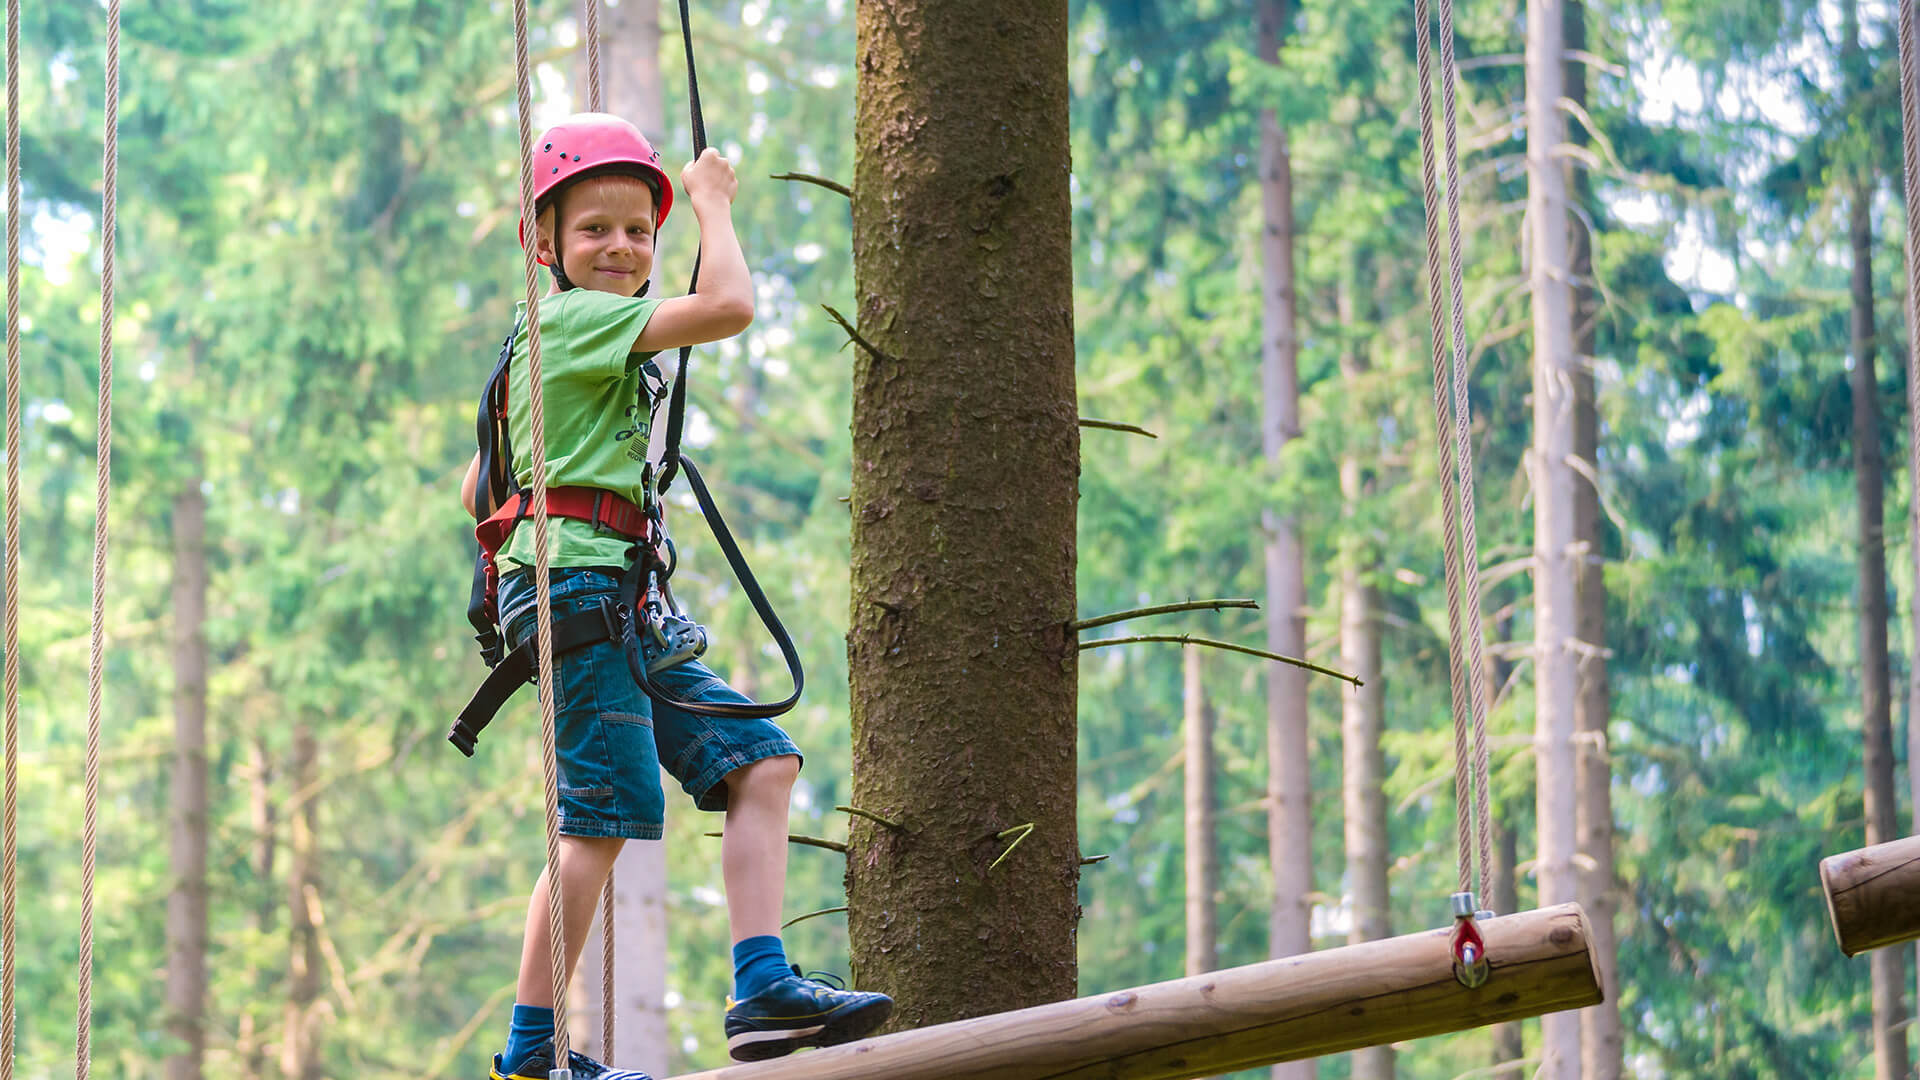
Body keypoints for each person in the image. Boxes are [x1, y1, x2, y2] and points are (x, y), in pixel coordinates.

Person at [460, 113, 891, 1080]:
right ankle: (531, 1055)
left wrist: (544, 508)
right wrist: (709, 205)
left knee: (759, 764)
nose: (619, 247)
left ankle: (763, 987)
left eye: (637, 231)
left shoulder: (542, 350)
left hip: (605, 598)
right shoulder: (572, 319)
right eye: (593, 230)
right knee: (601, 818)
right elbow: (731, 304)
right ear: (544, 244)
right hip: (581, 595)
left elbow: (475, 487)